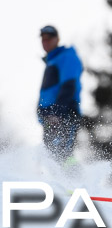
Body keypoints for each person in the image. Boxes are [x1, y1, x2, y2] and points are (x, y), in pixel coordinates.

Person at [37, 25, 82, 161]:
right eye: (43, 39)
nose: (45, 42)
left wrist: (57, 113)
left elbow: (69, 85)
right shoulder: (52, 61)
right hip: (50, 117)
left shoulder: (66, 57)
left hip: (62, 115)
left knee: (63, 156)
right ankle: (72, 180)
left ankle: (78, 181)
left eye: (49, 39)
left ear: (57, 39)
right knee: (52, 158)